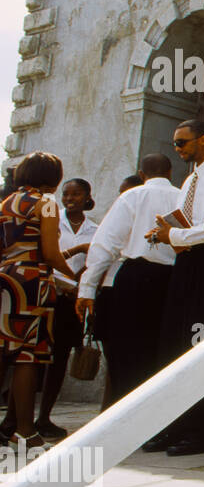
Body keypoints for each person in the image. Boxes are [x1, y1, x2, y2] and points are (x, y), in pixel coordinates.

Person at [144, 119, 204, 455]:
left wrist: (178, 235)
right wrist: (167, 232)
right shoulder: (189, 180)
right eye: (174, 144)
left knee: (201, 343)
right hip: (185, 263)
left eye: (183, 142)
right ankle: (176, 425)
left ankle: (201, 431)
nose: (178, 149)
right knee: (175, 345)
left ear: (203, 139)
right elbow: (187, 222)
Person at [76, 155, 179, 407]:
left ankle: (128, 407)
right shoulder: (182, 196)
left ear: (142, 175)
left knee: (127, 347)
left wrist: (87, 288)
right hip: (172, 278)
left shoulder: (132, 196)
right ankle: (158, 410)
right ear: (170, 171)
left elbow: (105, 244)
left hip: (134, 277)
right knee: (163, 347)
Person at [0, 152, 76, 452]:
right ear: (53, 178)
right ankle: (25, 431)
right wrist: (76, 280)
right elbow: (51, 252)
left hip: (6, 278)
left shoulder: (5, 204)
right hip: (32, 282)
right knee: (27, 356)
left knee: (4, 350)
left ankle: (14, 427)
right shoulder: (45, 203)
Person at [37, 179, 98, 440]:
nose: (70, 198)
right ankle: (20, 417)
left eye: (76, 194)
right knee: (34, 356)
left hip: (72, 300)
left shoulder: (95, 228)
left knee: (60, 358)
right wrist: (63, 280)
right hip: (47, 294)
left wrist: (81, 285)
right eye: (66, 194)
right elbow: (46, 256)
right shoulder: (52, 220)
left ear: (87, 197)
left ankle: (44, 417)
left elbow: (95, 262)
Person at [93, 175, 144, 412]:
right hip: (110, 287)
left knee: (124, 352)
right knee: (113, 351)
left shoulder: (142, 217)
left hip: (123, 287)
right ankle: (109, 406)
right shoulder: (117, 216)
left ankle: (117, 406)